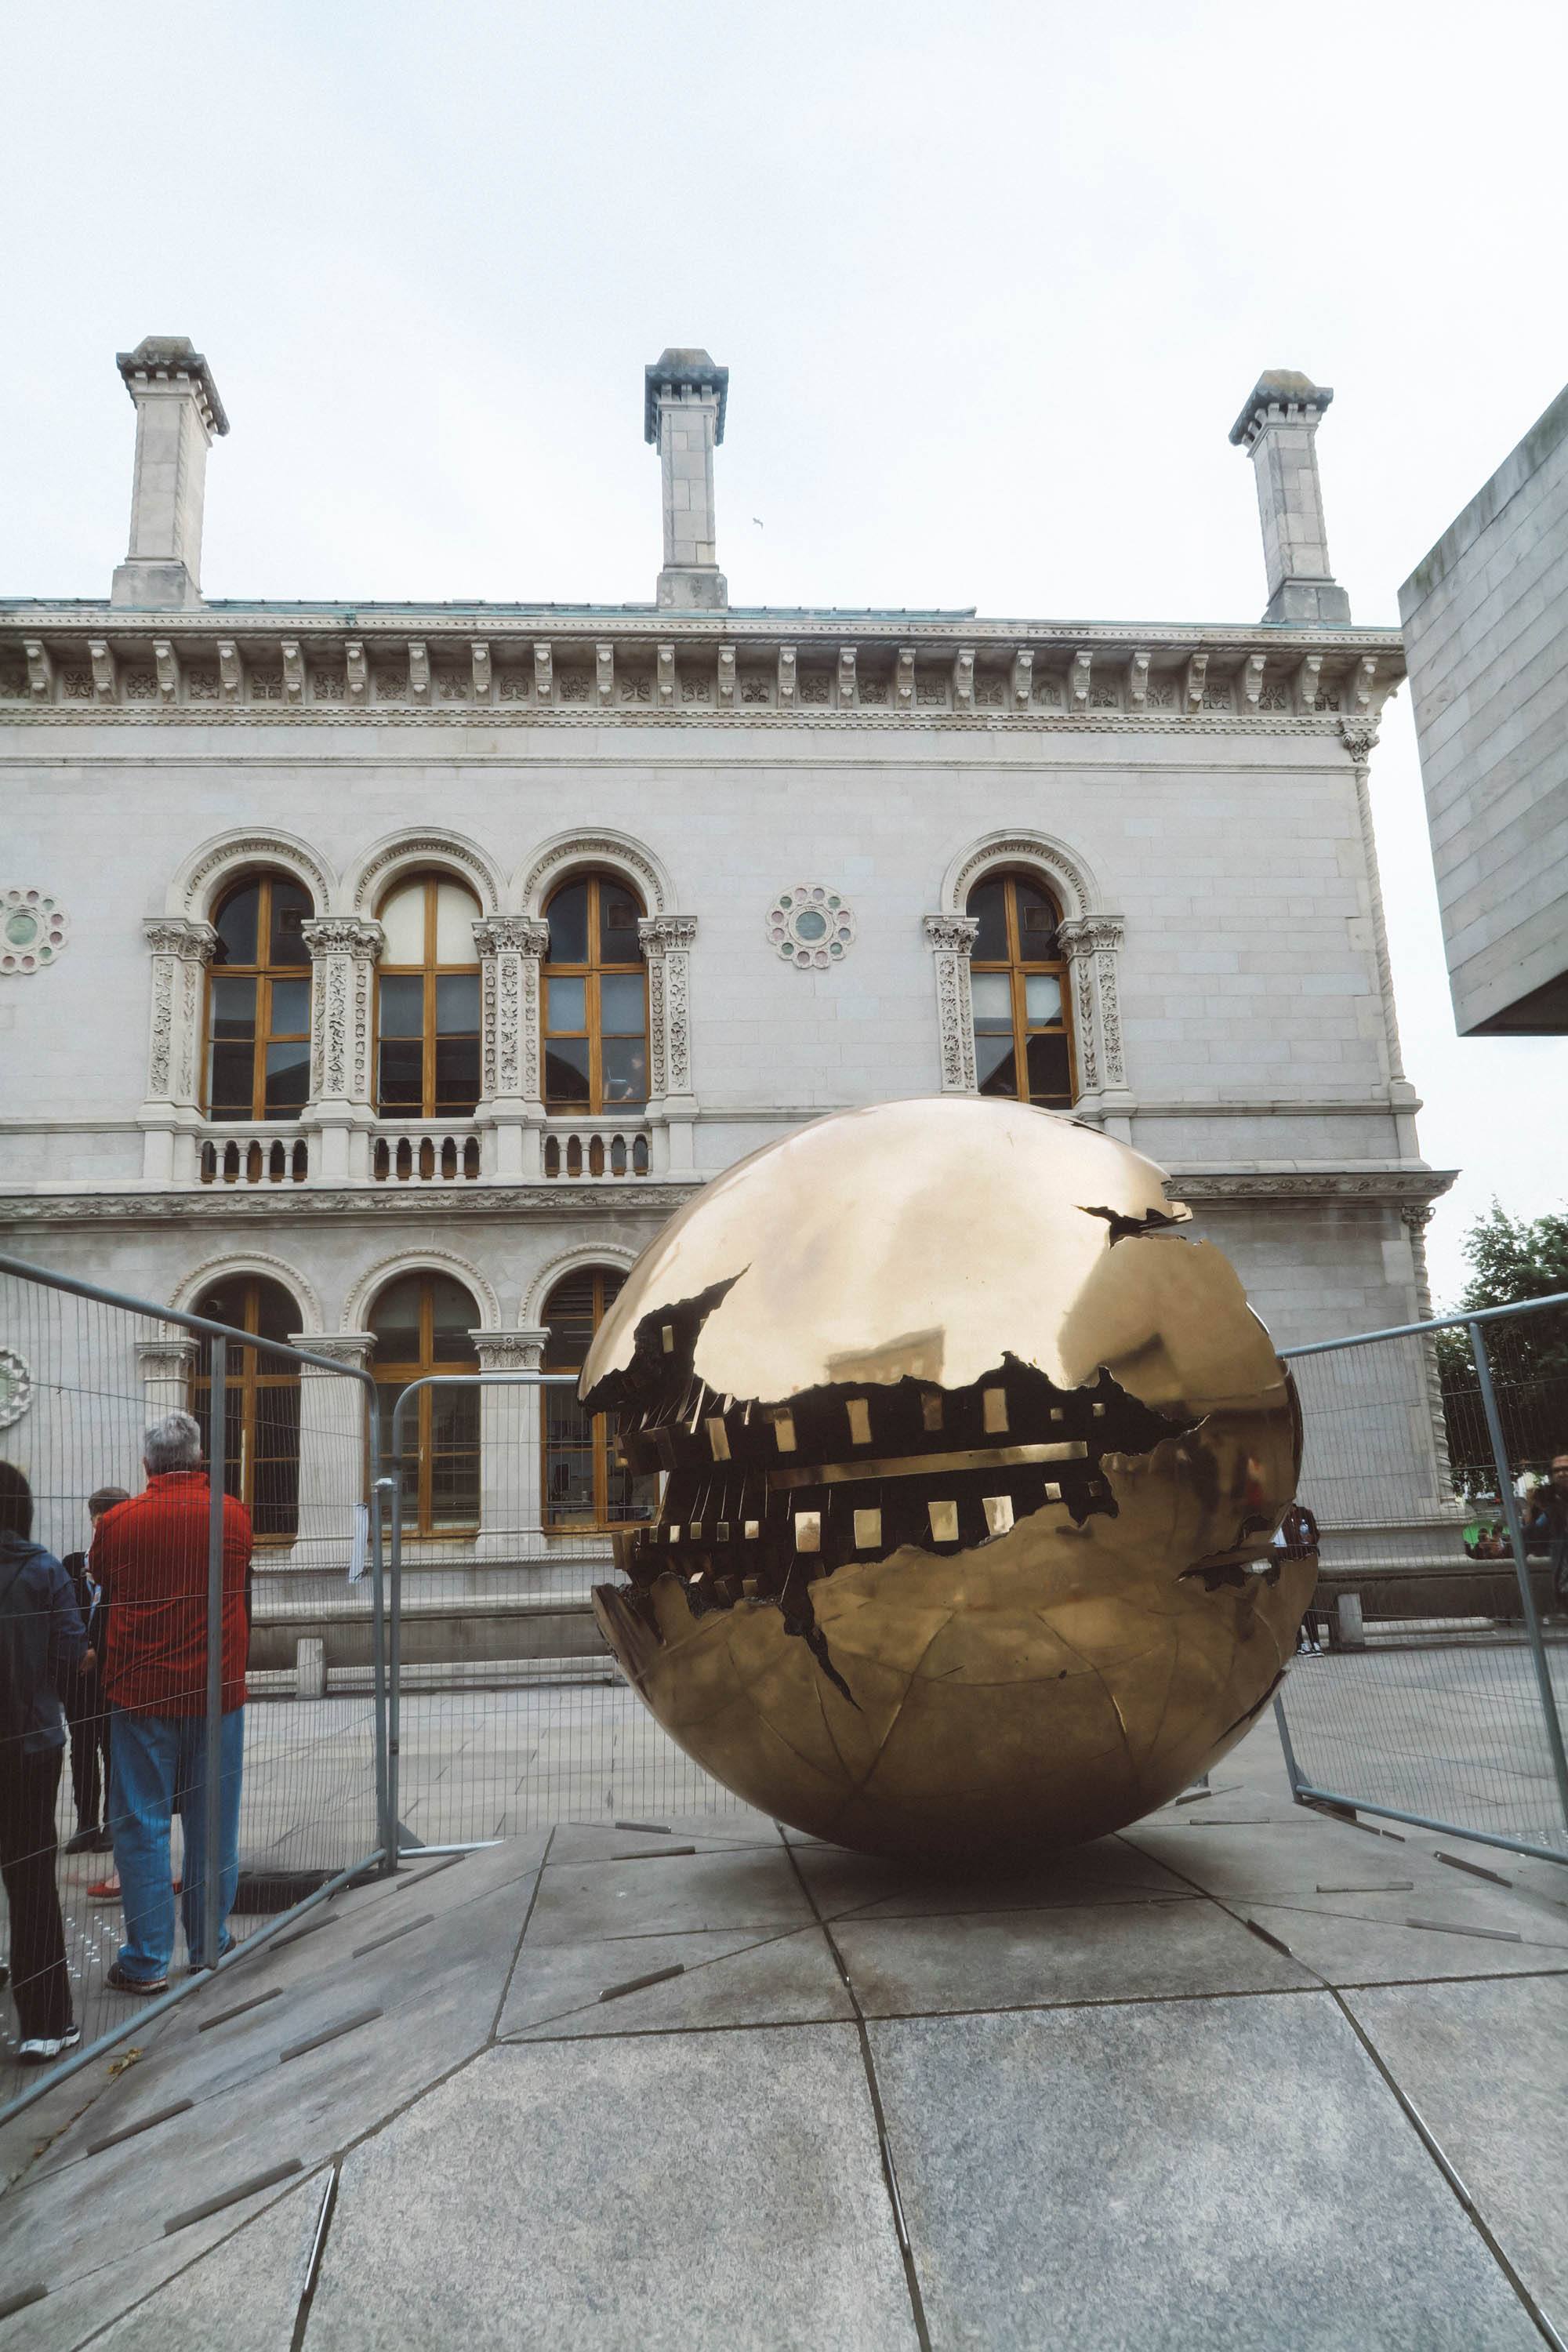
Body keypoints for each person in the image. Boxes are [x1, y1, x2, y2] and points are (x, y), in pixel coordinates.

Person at [92, 1412, 252, 1994]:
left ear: (147, 1465)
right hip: (218, 1692)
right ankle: (210, 1942)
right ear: (200, 1460)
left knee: (142, 1825)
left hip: (142, 1692)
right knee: (214, 1821)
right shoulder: (232, 1514)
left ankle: (148, 1959)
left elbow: (103, 1579)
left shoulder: (118, 1522)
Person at [0, 1461, 87, 2063]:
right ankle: (46, 2024)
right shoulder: (42, 1568)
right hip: (31, 1743)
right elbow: (73, 1653)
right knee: (31, 1878)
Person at [60, 1485, 129, 1855]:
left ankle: (114, 1821)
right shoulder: (72, 1565)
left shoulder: (128, 1570)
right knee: (82, 1746)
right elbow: (61, 1612)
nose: (101, 1530)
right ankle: (86, 1821)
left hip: (113, 1671)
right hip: (77, 1676)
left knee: (114, 1747)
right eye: (98, 1523)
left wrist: (98, 1651)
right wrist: (78, 1651)